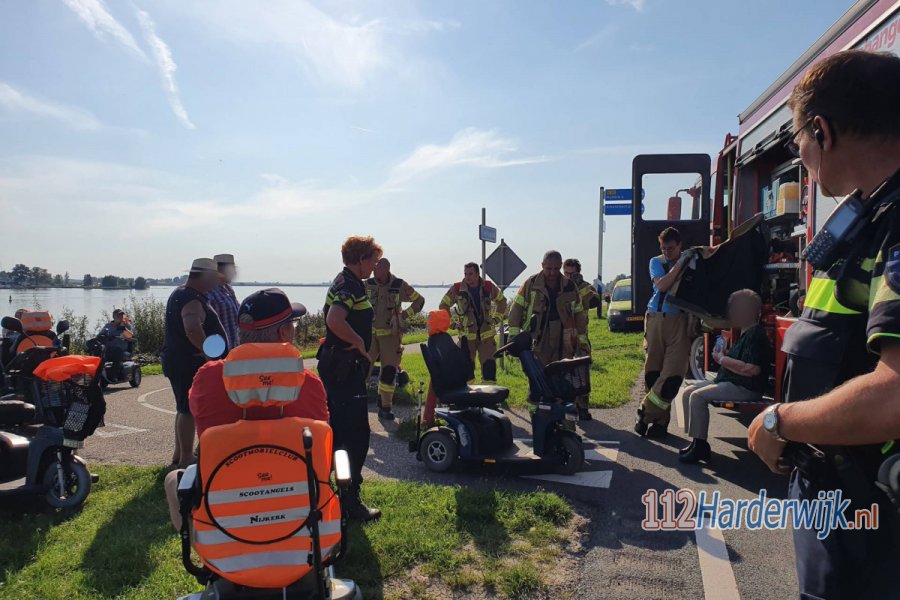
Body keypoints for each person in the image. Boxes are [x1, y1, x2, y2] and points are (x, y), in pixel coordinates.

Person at [747, 50, 900, 598]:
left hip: (875, 527)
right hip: (846, 505)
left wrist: (779, 422)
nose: (801, 156)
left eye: (797, 142)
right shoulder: (874, 216)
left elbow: (895, 396)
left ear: (822, 130)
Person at [163, 287, 329, 530]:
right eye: (292, 324)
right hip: (296, 506)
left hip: (225, 513)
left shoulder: (207, 379)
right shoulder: (308, 382)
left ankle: (205, 552)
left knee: (172, 479)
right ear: (284, 332)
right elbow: (322, 443)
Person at [318, 235, 383, 522]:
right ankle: (349, 502)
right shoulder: (347, 285)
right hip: (342, 369)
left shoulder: (350, 282)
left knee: (338, 431)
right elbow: (334, 320)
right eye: (373, 259)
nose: (374, 265)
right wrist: (359, 343)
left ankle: (328, 493)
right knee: (354, 435)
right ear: (360, 259)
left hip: (340, 368)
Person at [679, 290, 770, 463]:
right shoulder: (745, 332)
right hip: (732, 382)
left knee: (697, 397)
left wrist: (722, 359)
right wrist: (724, 355)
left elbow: (753, 370)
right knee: (688, 391)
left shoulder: (755, 335)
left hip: (746, 387)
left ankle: (700, 447)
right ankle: (695, 441)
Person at [160, 258, 226, 469]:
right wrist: (208, 353)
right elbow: (192, 327)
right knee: (188, 409)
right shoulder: (192, 299)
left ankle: (179, 456)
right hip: (188, 362)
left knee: (183, 407)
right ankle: (187, 457)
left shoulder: (181, 293)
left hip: (179, 359)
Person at [508, 250, 589, 418]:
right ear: (542, 266)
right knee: (537, 376)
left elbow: (579, 314)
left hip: (564, 338)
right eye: (548, 268)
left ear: (560, 267)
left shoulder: (569, 286)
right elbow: (516, 310)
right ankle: (536, 414)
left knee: (564, 376)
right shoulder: (530, 284)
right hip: (538, 338)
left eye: (556, 269)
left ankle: (565, 418)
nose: (552, 273)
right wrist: (514, 338)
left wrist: (581, 340)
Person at [634, 227, 694, 438]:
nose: (667, 252)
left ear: (680, 246)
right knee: (654, 373)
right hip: (656, 319)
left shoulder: (692, 263)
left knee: (672, 376)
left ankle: (644, 413)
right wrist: (679, 264)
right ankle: (660, 423)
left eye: (671, 248)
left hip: (680, 322)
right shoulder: (656, 262)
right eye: (664, 248)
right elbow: (661, 286)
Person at [365, 257, 425, 421]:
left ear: (385, 269)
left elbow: (419, 301)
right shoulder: (368, 284)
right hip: (369, 336)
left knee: (389, 371)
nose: (373, 270)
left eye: (376, 268)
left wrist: (403, 316)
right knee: (363, 369)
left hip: (390, 336)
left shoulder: (399, 285)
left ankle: (385, 406)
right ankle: (358, 403)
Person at [439, 262, 508, 384]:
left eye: (471, 274)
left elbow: (502, 301)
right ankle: (467, 398)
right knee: (466, 371)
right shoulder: (457, 289)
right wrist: (453, 323)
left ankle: (488, 399)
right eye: (465, 274)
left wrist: (496, 319)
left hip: (486, 336)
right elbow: (443, 306)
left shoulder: (488, 287)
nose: (467, 277)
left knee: (489, 369)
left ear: (477, 274)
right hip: (466, 337)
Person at [564, 257, 600, 419]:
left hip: (580, 337)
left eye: (572, 273)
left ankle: (583, 408)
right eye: (566, 273)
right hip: (563, 337)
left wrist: (579, 286)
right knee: (564, 373)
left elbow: (594, 301)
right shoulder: (559, 286)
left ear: (578, 273)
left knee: (582, 374)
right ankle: (568, 406)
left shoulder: (585, 287)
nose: (569, 276)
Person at [207, 253, 240, 351]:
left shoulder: (228, 289)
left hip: (232, 348)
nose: (234, 273)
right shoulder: (208, 290)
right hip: (217, 350)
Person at [98, 309, 135, 377]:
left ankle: (113, 375)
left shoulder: (126, 325)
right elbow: (99, 336)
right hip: (108, 349)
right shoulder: (108, 326)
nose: (120, 316)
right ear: (114, 316)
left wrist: (124, 329)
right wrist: (103, 337)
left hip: (121, 349)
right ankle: (96, 374)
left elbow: (130, 337)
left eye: (121, 315)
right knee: (98, 352)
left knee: (117, 352)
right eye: (118, 315)